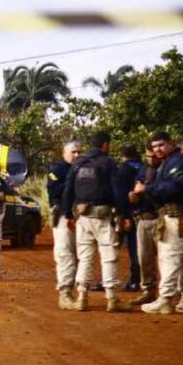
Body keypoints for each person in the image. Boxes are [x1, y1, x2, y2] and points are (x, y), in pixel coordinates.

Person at [61, 131, 131, 312]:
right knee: (109, 256)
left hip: (82, 218)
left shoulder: (78, 164)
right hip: (103, 217)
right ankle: (112, 299)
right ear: (105, 145)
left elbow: (68, 191)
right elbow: (118, 191)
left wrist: (68, 214)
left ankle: (82, 297)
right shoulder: (108, 163)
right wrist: (124, 214)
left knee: (85, 258)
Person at [134, 131, 183, 314]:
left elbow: (174, 188)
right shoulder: (169, 162)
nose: (157, 149)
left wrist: (147, 188)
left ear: (171, 143)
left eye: (161, 145)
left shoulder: (178, 162)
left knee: (170, 257)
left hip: (175, 217)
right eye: (154, 146)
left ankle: (165, 299)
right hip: (178, 217)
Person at [47, 140, 82, 310]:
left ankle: (79, 290)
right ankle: (65, 292)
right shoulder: (57, 169)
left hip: (81, 216)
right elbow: (54, 191)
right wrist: (75, 182)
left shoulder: (83, 167)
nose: (76, 155)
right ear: (64, 153)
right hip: (62, 215)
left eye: (79, 152)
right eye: (73, 152)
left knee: (81, 255)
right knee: (65, 254)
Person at [127, 142, 162, 305]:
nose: (151, 159)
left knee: (166, 258)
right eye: (148, 155)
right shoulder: (143, 168)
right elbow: (136, 187)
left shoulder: (166, 168)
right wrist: (132, 196)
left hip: (161, 218)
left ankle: (167, 294)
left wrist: (146, 189)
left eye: (153, 155)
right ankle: (148, 291)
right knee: (144, 258)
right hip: (143, 217)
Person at [118, 143, 143, 292]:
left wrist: (124, 216)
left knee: (113, 247)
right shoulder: (143, 166)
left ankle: (132, 281)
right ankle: (138, 280)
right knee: (139, 249)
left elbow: (121, 195)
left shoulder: (123, 169)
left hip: (127, 214)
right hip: (143, 213)